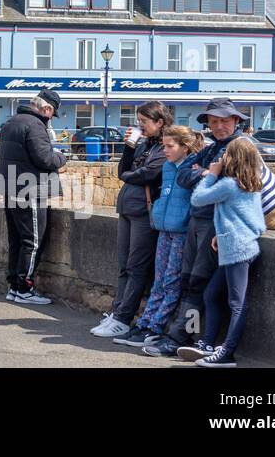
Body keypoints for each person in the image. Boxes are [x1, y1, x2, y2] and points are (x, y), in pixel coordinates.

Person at [146, 96, 248, 358]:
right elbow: (183, 176)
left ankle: (180, 335)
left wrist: (206, 173)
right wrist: (206, 173)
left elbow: (237, 186)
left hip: (217, 222)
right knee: (188, 278)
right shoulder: (213, 148)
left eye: (224, 120)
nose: (218, 126)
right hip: (197, 219)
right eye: (213, 121)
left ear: (236, 120)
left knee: (198, 282)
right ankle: (183, 334)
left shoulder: (240, 147)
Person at [177, 136, 266, 367]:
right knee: (212, 294)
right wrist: (221, 233)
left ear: (233, 159)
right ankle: (207, 344)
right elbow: (252, 220)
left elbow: (197, 199)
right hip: (243, 245)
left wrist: (212, 173)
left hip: (237, 249)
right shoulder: (252, 183)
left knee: (237, 304)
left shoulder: (228, 184)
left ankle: (227, 353)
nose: (221, 158)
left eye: (226, 155)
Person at [117, 125, 206, 349]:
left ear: (185, 147)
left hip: (182, 232)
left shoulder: (193, 166)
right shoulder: (167, 167)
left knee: (172, 281)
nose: (164, 150)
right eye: (164, 145)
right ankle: (145, 323)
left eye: (169, 146)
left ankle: (156, 327)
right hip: (164, 229)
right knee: (159, 280)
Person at [92, 101, 171, 338]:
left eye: (144, 122)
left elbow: (149, 174)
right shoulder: (143, 144)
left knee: (137, 266)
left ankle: (125, 317)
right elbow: (122, 172)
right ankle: (117, 313)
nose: (140, 126)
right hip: (127, 207)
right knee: (124, 264)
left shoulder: (164, 148)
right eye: (139, 121)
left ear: (160, 122)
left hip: (144, 212)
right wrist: (129, 147)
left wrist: (130, 176)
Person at [0, 89, 65, 304]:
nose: (49, 119)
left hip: (11, 187)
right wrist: (61, 158)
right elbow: (45, 159)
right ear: (47, 109)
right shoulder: (35, 125)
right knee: (33, 242)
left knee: (17, 239)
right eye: (51, 114)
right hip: (30, 190)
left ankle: (14, 287)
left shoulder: (12, 122)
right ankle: (24, 288)